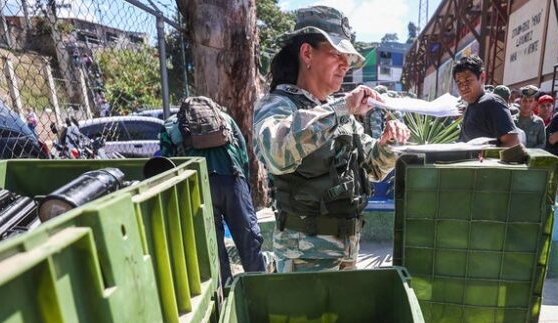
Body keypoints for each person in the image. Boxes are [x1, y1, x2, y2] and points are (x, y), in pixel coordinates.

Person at [253, 6, 410, 272]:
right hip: (303, 257)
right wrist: (342, 108)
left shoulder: (339, 113)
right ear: (307, 54)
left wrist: (388, 145)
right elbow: (276, 152)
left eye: (347, 57)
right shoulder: (278, 105)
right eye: (337, 54)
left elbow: (372, 168)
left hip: (347, 251)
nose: (345, 64)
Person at [162, 97, 265, 285]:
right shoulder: (225, 119)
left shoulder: (170, 126)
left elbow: (167, 162)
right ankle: (262, 289)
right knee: (249, 241)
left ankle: (224, 298)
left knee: (213, 249)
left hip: (198, 186)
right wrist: (244, 188)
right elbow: (243, 152)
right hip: (232, 179)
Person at [453, 56, 520, 147]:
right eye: (459, 83)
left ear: (482, 77)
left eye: (467, 80)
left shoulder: (492, 103)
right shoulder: (471, 106)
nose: (463, 87)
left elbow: (512, 143)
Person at [515, 85, 547, 149]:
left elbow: (542, 144)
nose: (527, 104)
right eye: (524, 100)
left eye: (530, 101)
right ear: (520, 101)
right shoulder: (511, 120)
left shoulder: (539, 122)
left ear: (535, 103)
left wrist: (527, 152)